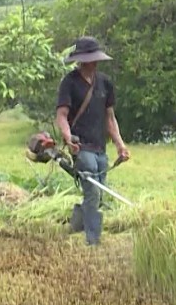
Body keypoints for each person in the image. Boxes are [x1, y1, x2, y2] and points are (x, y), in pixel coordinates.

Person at [55, 36, 130, 246]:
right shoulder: (69, 83)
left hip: (100, 147)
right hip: (81, 147)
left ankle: (77, 224)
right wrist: (68, 138)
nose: (94, 62)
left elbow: (110, 118)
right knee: (93, 191)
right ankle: (93, 241)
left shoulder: (105, 83)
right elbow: (61, 115)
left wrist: (120, 145)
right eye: (90, 59)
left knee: (97, 192)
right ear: (81, 60)